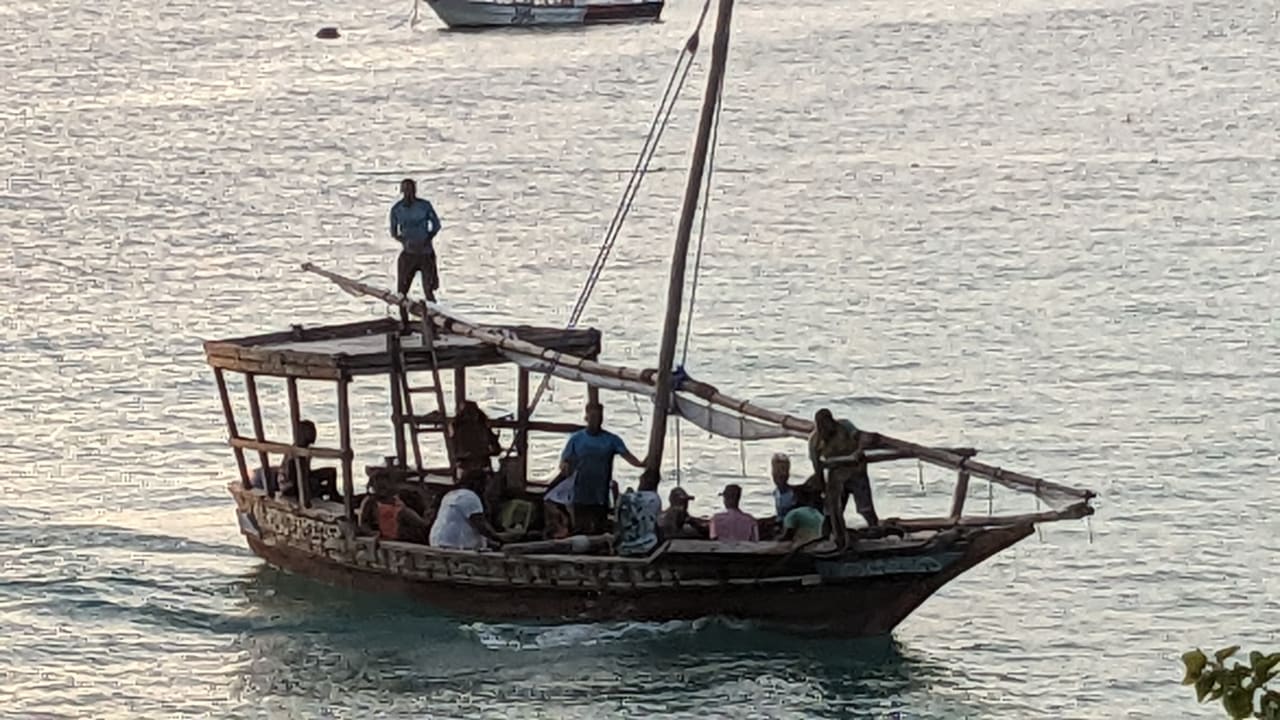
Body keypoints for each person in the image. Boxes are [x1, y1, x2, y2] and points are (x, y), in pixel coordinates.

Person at [547, 402, 644, 535]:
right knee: (580, 528)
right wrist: (565, 466)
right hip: (581, 491)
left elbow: (628, 457)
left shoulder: (612, 440)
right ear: (586, 417)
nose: (596, 421)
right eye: (593, 417)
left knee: (599, 528)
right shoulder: (576, 439)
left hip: (600, 493)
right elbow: (564, 461)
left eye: (599, 418)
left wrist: (643, 464)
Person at [809, 408, 879, 550]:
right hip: (836, 476)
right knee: (831, 510)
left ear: (831, 421)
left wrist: (858, 452)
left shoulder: (845, 426)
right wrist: (822, 488)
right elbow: (818, 468)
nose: (824, 430)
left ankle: (875, 531)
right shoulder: (815, 441)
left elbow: (860, 439)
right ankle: (832, 537)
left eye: (825, 425)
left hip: (856, 472)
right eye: (820, 426)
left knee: (864, 507)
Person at [389, 178, 442, 324]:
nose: (408, 193)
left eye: (410, 190)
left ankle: (434, 323)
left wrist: (427, 238)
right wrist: (405, 241)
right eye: (405, 190)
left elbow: (436, 225)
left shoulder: (424, 206)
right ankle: (404, 324)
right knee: (401, 293)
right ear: (401, 191)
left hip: (426, 254)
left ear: (415, 190)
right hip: (408, 255)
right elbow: (393, 232)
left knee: (429, 291)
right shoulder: (397, 209)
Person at [429, 470, 520, 550]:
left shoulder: (452, 494)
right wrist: (502, 538)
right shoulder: (470, 497)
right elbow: (482, 527)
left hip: (436, 541)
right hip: (452, 545)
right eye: (488, 485)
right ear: (480, 485)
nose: (490, 489)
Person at [358, 476, 430, 544]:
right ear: (373, 487)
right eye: (380, 487)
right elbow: (363, 525)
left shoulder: (397, 497)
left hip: (409, 532)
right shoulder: (370, 502)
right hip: (391, 535)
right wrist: (375, 534)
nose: (384, 489)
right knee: (403, 513)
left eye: (385, 485)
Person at [279, 420, 338, 501]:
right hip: (291, 486)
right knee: (316, 485)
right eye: (311, 431)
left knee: (330, 472)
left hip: (301, 478)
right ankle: (320, 493)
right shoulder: (294, 452)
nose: (314, 434)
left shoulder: (306, 448)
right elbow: (292, 476)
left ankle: (333, 495)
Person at [615, 471, 663, 557]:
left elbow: (620, 510)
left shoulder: (631, 497)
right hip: (650, 545)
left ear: (643, 481)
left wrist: (619, 492)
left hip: (627, 546)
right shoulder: (655, 499)